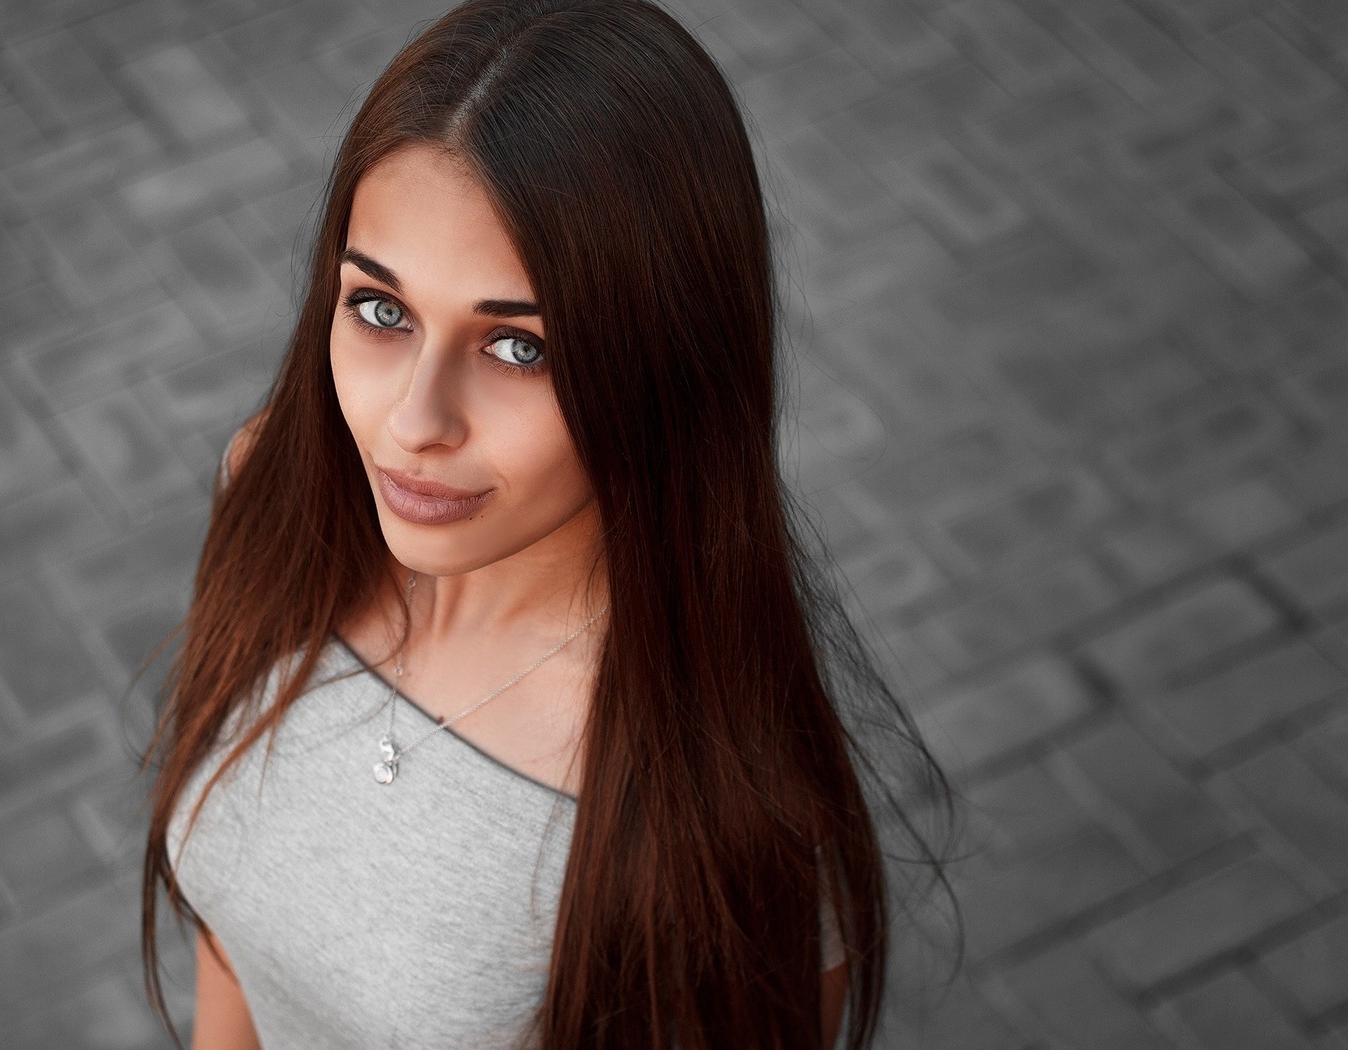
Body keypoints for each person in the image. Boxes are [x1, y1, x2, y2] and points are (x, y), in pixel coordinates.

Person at [140, 1, 947, 1047]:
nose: (413, 424)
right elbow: (234, 948)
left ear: (666, 362)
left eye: (519, 347)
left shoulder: (712, 813)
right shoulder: (277, 496)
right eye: (382, 310)